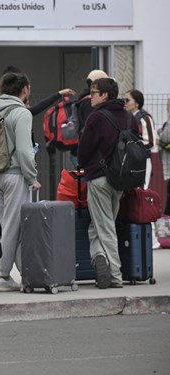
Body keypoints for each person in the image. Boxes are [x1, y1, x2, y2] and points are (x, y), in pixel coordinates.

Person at [78, 77, 142, 289]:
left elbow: (84, 149)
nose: (90, 96)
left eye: (93, 92)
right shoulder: (129, 117)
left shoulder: (96, 117)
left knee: (104, 228)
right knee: (99, 226)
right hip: (121, 180)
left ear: (105, 94)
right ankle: (99, 259)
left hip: (99, 178)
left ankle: (114, 274)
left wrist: (83, 163)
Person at [0, 72, 40, 292]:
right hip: (14, 175)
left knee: (10, 227)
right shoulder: (21, 113)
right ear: (25, 89)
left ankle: (26, 273)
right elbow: (24, 151)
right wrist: (33, 177)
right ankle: (3, 275)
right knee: (12, 227)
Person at [124, 90, 158, 189]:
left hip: (142, 161)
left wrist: (132, 147)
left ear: (137, 103)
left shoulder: (145, 118)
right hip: (128, 161)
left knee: (140, 192)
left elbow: (151, 143)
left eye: (127, 100)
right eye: (124, 100)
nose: (125, 103)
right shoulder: (127, 118)